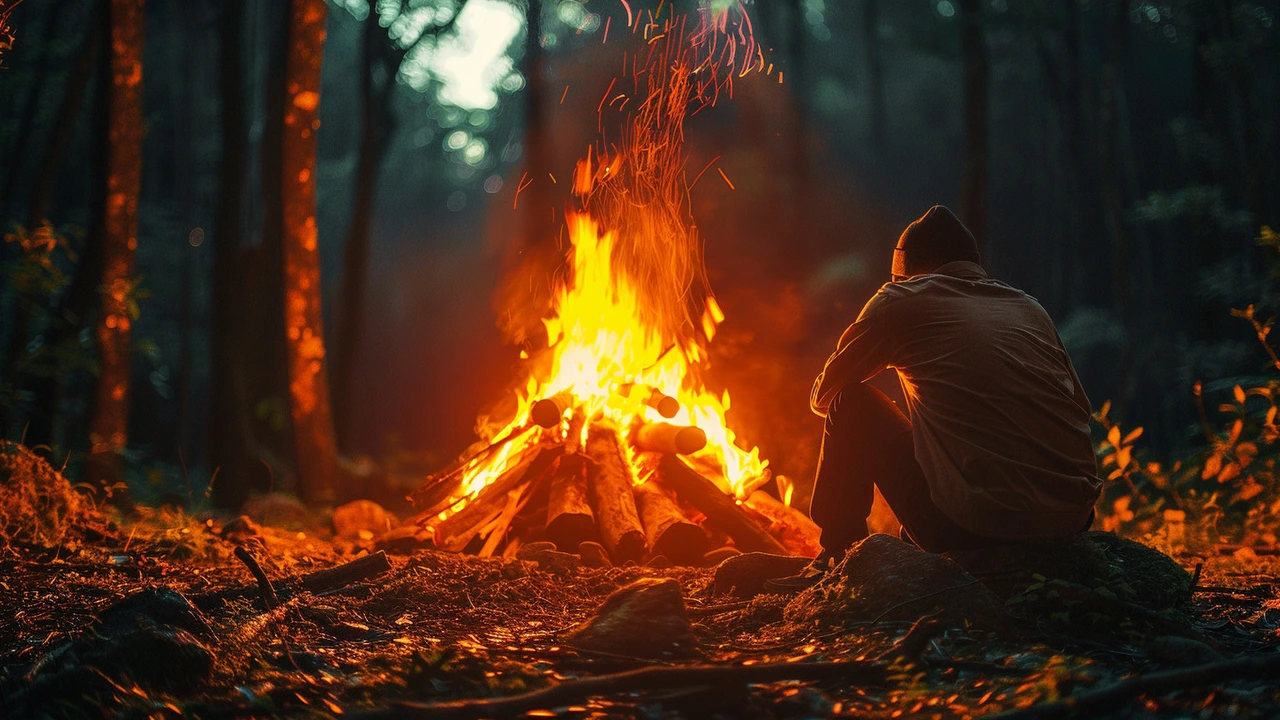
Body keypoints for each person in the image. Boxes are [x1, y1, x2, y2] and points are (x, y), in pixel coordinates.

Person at [808, 205, 1101, 559]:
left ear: (904, 274)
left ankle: (841, 557)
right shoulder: (1029, 308)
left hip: (976, 530)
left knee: (850, 403)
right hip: (1072, 519)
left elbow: (825, 396)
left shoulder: (899, 301)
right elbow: (1080, 409)